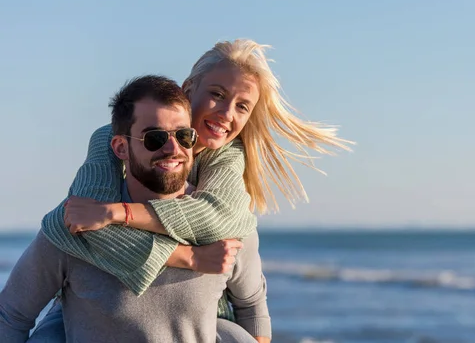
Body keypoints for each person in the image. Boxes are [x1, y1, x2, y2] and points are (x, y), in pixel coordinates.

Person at [35, 40, 353, 341]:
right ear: (189, 89)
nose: (226, 114)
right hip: (89, 308)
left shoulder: (227, 158)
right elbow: (79, 223)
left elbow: (214, 219)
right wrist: (188, 256)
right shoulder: (113, 138)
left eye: (242, 106)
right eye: (217, 94)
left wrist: (117, 213)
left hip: (200, 318)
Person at [0, 75, 269, 342]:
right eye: (155, 138)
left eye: (184, 136)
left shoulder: (227, 229)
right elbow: (11, 316)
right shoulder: (74, 224)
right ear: (120, 147)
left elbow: (251, 306)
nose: (173, 148)